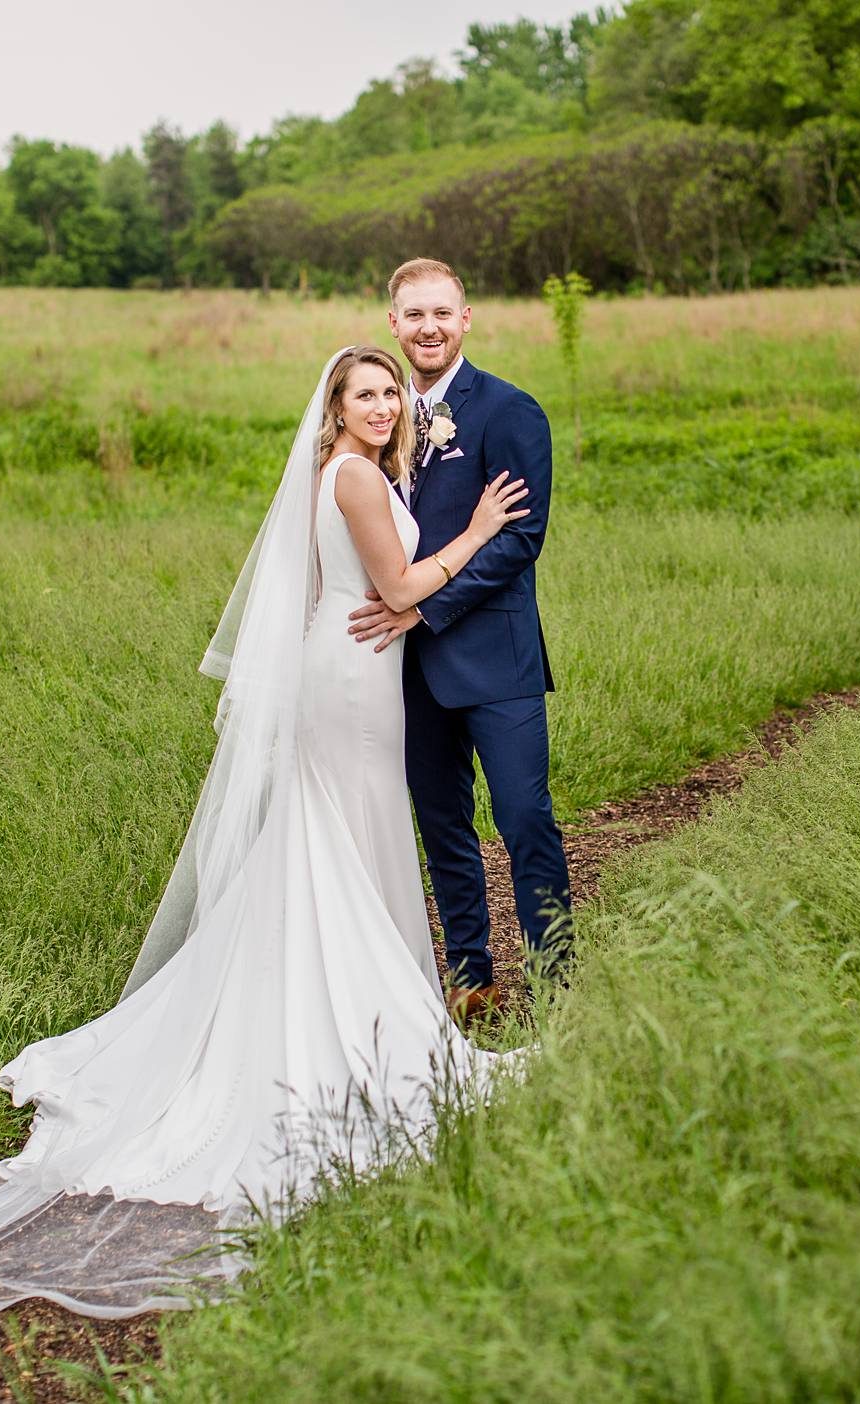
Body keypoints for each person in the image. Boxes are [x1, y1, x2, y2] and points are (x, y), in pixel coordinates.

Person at [0, 345, 530, 1318]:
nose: (383, 406)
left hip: (351, 674)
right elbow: (400, 586)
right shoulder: (349, 476)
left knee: (339, 845)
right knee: (336, 846)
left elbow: (371, 593)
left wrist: (394, 593)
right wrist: (472, 531)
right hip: (347, 687)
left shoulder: (348, 473)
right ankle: (346, 1027)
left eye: (392, 393)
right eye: (365, 394)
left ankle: (362, 1007)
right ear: (335, 409)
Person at [348, 258, 575, 1023]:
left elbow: (520, 541)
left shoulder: (509, 410)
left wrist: (424, 610)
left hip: (495, 660)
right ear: (394, 324)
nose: (429, 328)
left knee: (523, 821)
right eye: (414, 315)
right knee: (442, 827)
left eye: (442, 313)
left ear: (467, 317)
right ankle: (472, 976)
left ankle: (556, 978)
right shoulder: (377, 419)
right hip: (405, 671)